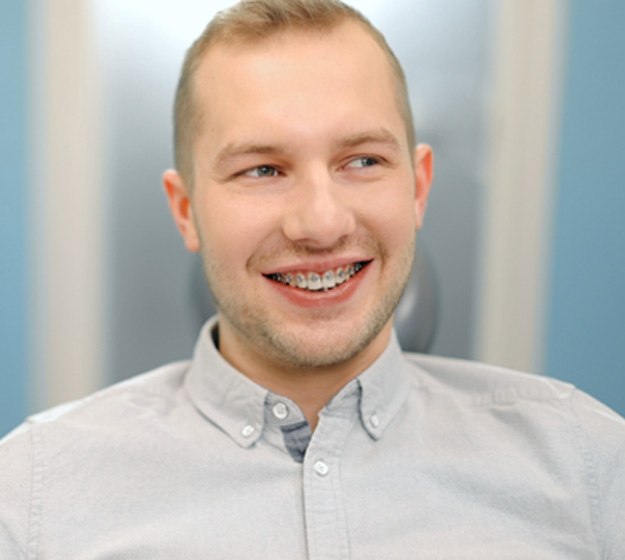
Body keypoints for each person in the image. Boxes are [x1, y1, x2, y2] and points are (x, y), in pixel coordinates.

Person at [1, 0, 624, 557]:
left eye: (362, 160)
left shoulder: (588, 466)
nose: (321, 224)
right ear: (186, 210)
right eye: (263, 170)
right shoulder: (32, 498)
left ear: (419, 186)